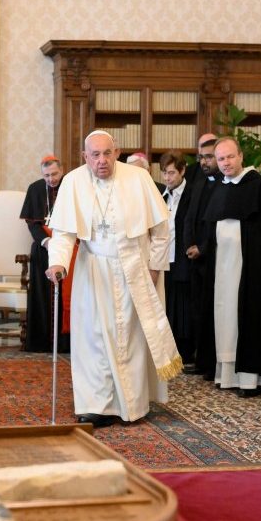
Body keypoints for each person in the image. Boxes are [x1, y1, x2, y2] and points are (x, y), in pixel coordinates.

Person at [46, 130, 181, 428]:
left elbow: (161, 230)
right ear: (85, 157)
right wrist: (57, 263)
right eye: (95, 155)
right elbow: (64, 233)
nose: (101, 161)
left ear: (117, 152)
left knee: (130, 337)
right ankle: (97, 404)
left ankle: (132, 405)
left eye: (107, 153)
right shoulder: (73, 182)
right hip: (93, 268)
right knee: (94, 336)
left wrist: (155, 268)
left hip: (135, 267)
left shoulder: (138, 179)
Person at [199, 137, 261, 397]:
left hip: (250, 271)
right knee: (225, 317)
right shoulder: (220, 188)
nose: (225, 163)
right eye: (221, 158)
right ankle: (227, 374)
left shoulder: (259, 188)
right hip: (223, 269)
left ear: (241, 157)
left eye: (230, 157)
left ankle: (249, 379)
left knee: (245, 317)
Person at [19, 155, 70, 353]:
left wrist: (60, 243)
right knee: (42, 296)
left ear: (62, 169)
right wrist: (46, 241)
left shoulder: (71, 187)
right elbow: (32, 223)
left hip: (67, 251)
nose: (51, 179)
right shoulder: (35, 188)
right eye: (47, 175)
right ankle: (41, 343)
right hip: (43, 251)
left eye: (54, 174)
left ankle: (65, 344)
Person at [182, 133, 222, 379]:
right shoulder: (199, 180)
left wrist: (203, 248)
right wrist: (189, 244)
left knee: (211, 311)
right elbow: (189, 216)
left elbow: (218, 224)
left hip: (212, 257)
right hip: (194, 257)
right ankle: (201, 359)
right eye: (202, 157)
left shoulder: (222, 184)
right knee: (197, 310)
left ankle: (211, 363)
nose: (205, 162)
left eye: (209, 157)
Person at [158, 150, 195, 370]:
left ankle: (186, 354)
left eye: (171, 173)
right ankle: (170, 354)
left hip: (184, 258)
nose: (167, 178)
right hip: (166, 259)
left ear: (182, 171)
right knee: (169, 306)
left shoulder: (192, 193)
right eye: (164, 173)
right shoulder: (162, 194)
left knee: (184, 310)